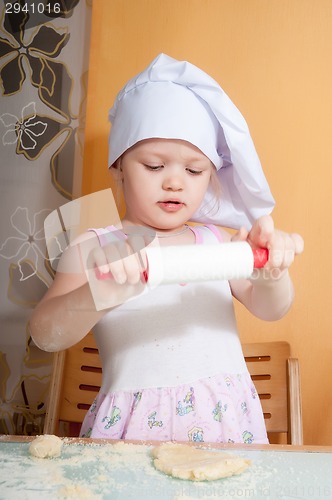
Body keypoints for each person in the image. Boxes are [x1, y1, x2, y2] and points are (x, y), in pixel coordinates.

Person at [30, 54, 303, 444]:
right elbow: (45, 334)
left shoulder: (215, 243)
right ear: (119, 167)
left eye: (194, 171)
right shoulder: (96, 246)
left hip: (225, 425)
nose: (175, 182)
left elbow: (272, 308)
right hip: (133, 430)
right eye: (155, 166)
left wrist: (270, 273)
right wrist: (101, 292)